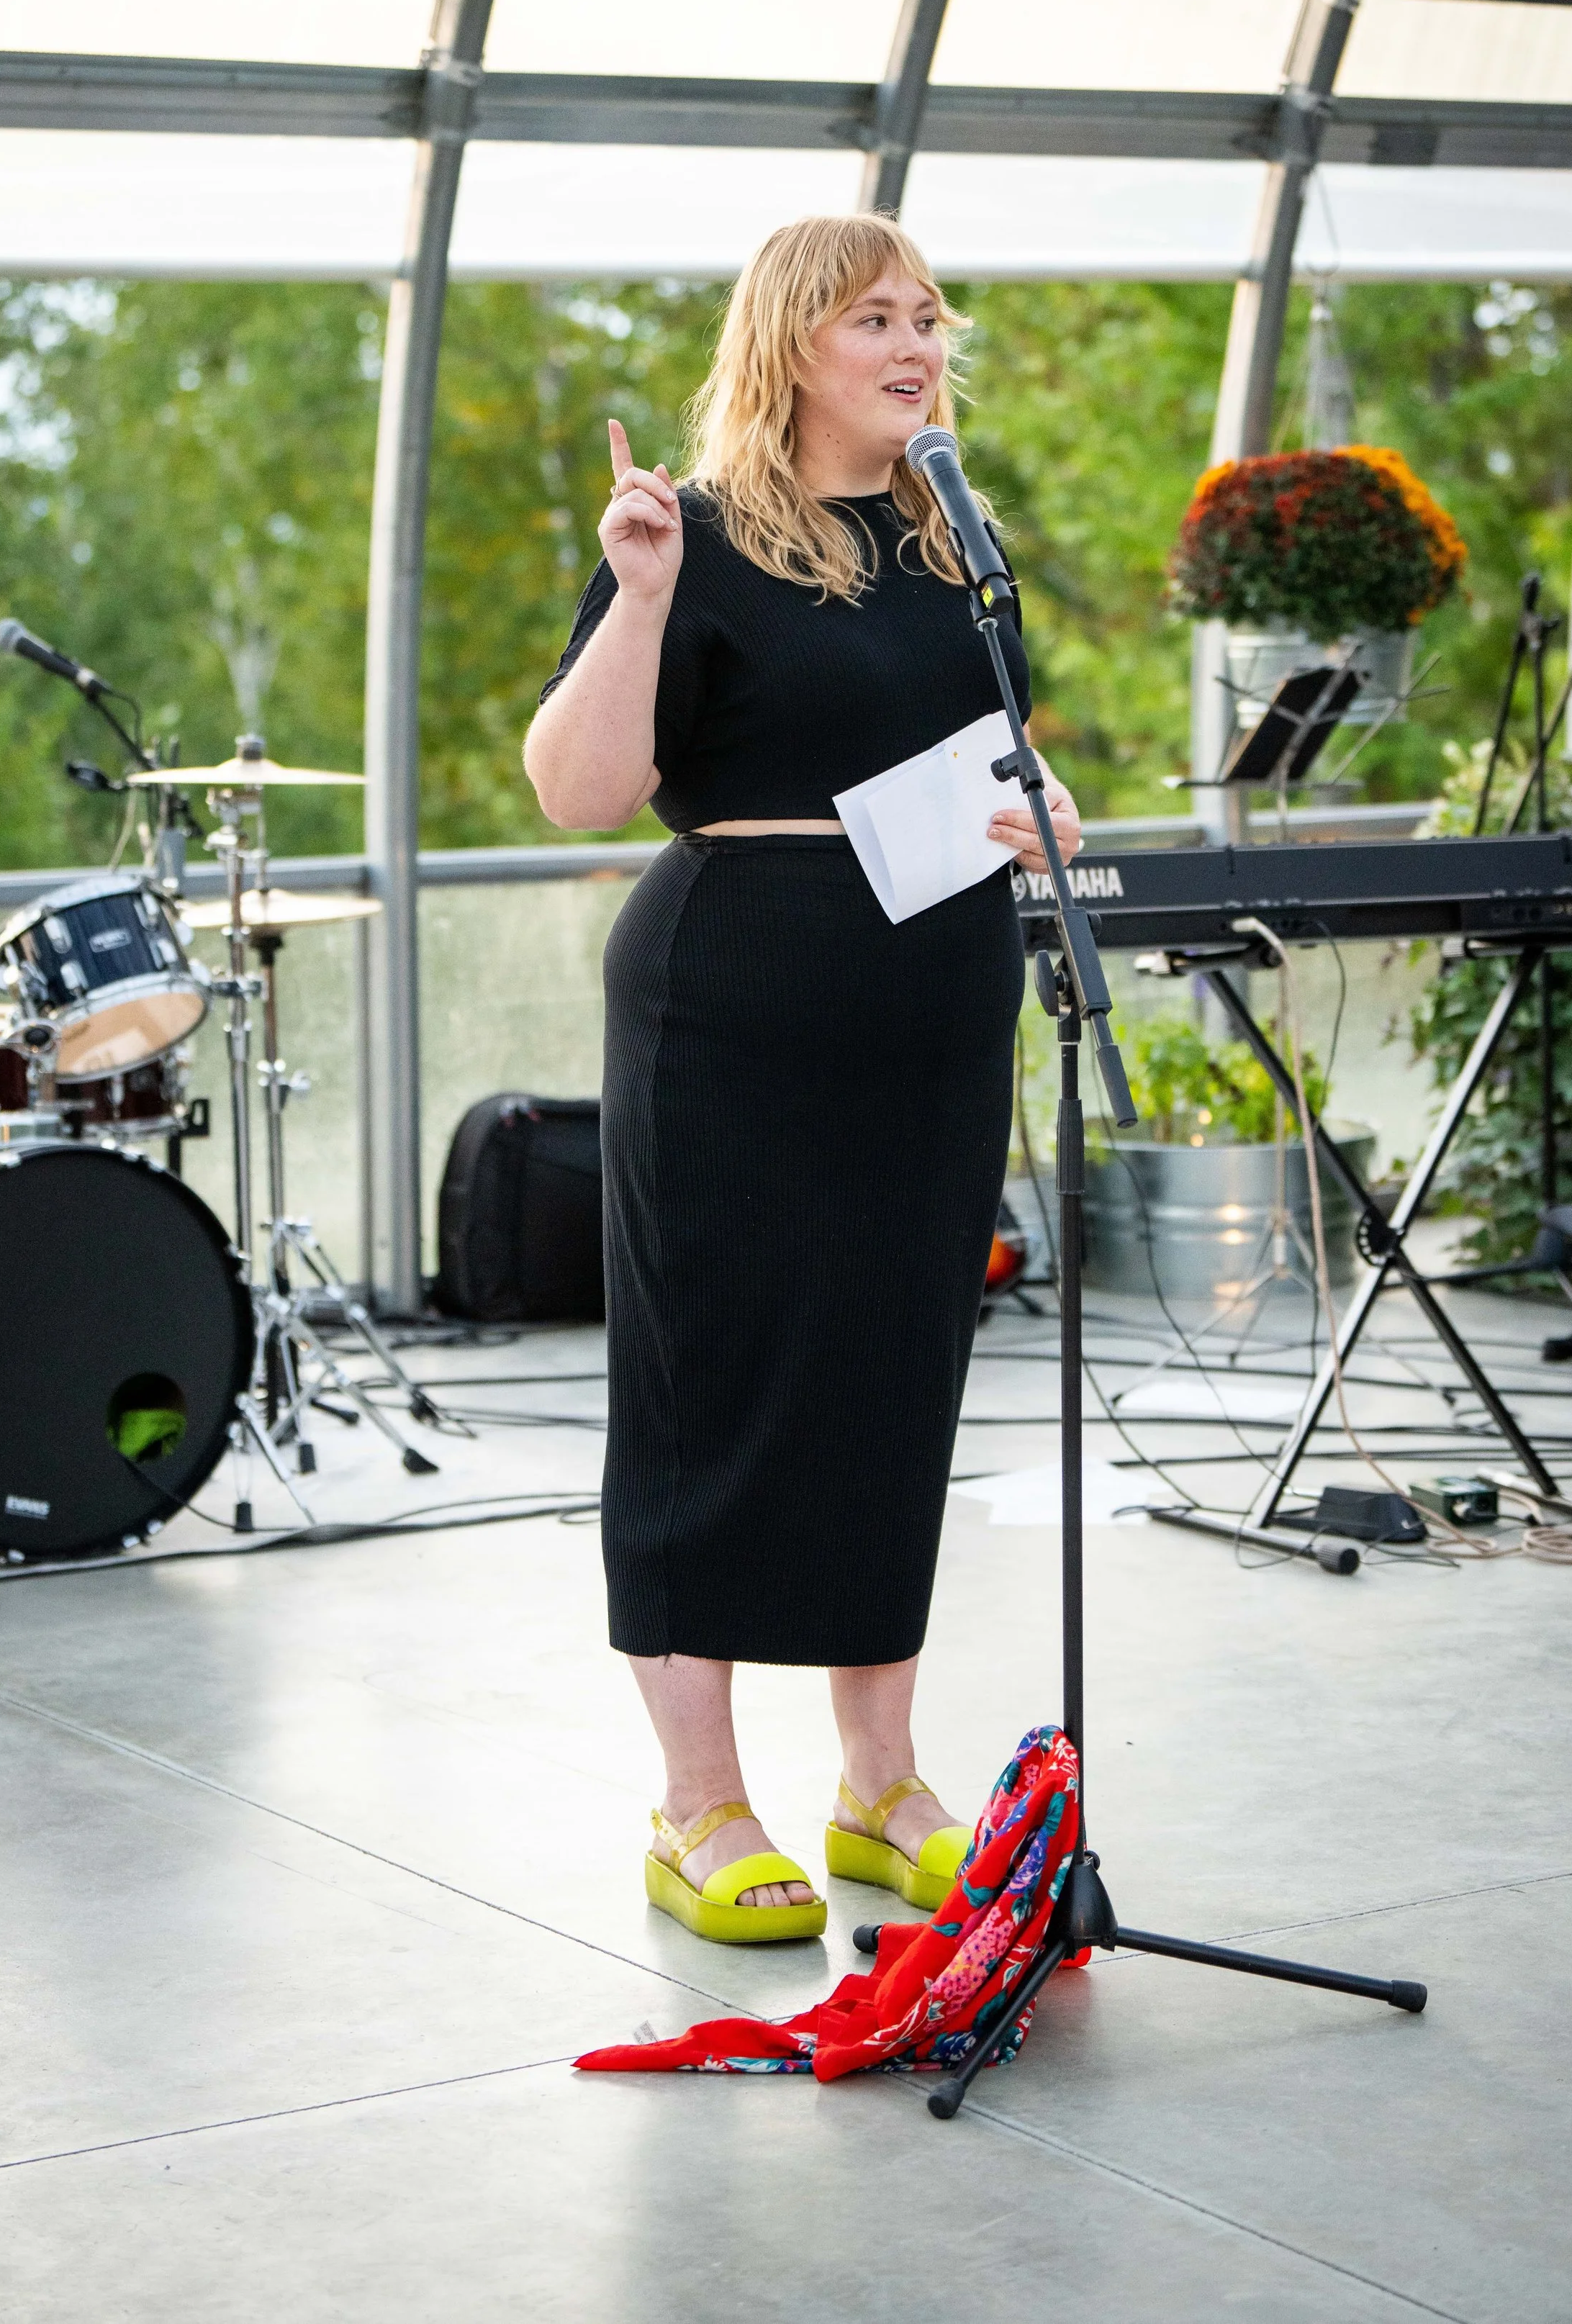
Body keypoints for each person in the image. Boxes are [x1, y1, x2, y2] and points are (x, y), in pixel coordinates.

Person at [524, 214, 1080, 1945]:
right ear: (789, 347)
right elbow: (576, 791)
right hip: (735, 991)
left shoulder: (949, 540)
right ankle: (699, 1808)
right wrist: (632, 601)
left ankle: (879, 1783)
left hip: (931, 995)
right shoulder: (677, 535)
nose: (915, 347)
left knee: (890, 1372)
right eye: (874, 323)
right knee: (718, 1374)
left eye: (927, 318)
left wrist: (1040, 815)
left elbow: (991, 751)